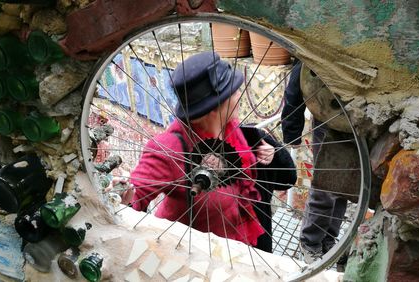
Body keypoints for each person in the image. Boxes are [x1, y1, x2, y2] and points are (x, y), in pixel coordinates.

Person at [121, 51, 292, 248]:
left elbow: (278, 178)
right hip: (192, 255)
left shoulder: (233, 131)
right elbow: (134, 196)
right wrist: (123, 195)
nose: (240, 94)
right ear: (215, 107)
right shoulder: (169, 148)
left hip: (237, 243)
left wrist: (271, 155)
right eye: (234, 91)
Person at [281, 61, 348, 264]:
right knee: (324, 189)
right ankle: (310, 242)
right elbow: (297, 83)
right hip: (327, 123)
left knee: (344, 188)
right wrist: (292, 131)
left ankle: (329, 238)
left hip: (354, 124)